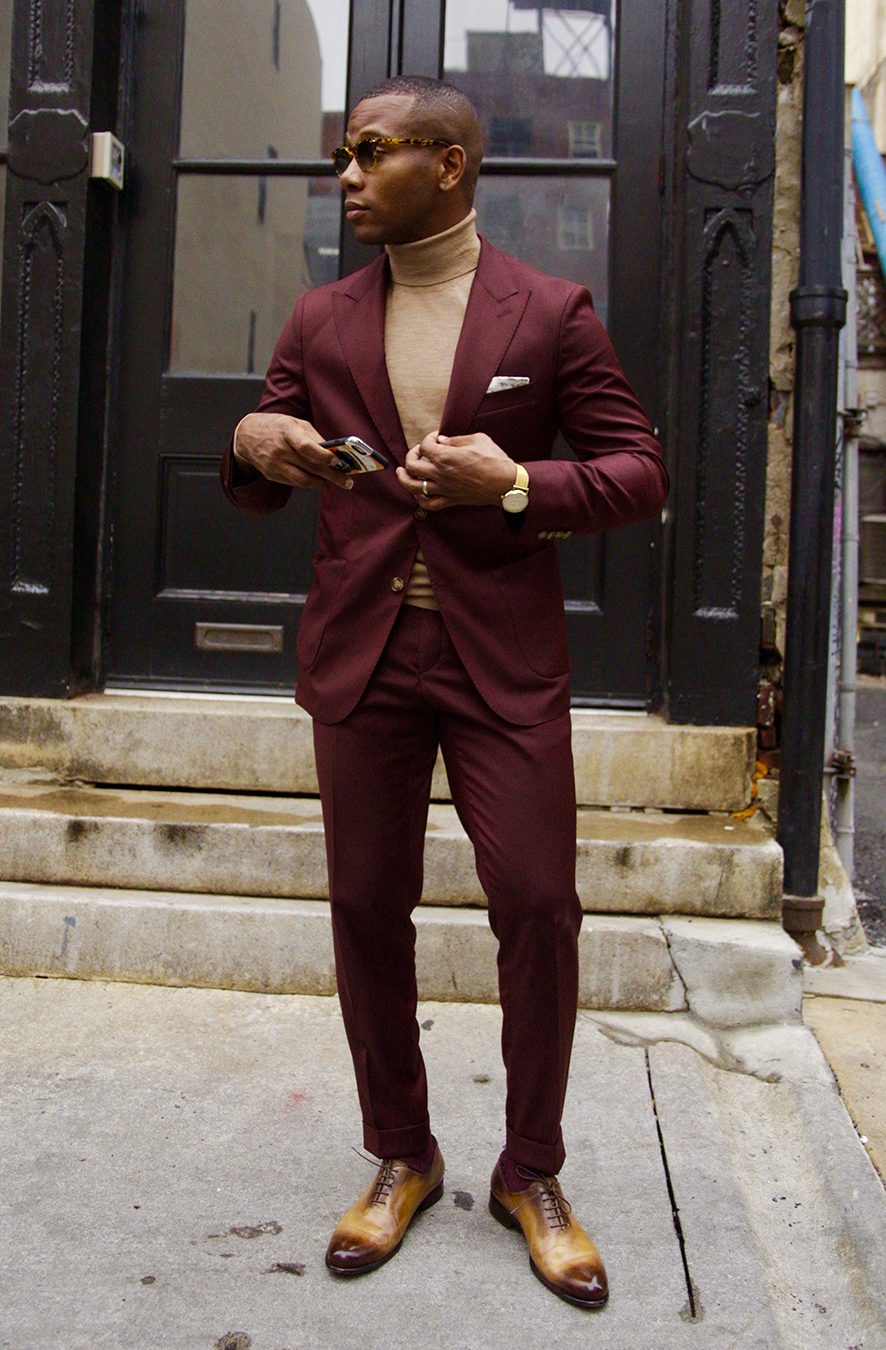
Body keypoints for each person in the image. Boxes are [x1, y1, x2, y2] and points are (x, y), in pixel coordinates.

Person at [221, 75, 668, 1309]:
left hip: (498, 663)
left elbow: (638, 472)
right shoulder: (321, 315)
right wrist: (258, 441)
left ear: (451, 164)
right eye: (342, 154)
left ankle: (532, 1170)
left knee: (538, 905)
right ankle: (401, 1154)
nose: (347, 175)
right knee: (367, 906)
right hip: (361, 655)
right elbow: (266, 438)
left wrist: (516, 484)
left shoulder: (551, 311)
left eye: (369, 151)